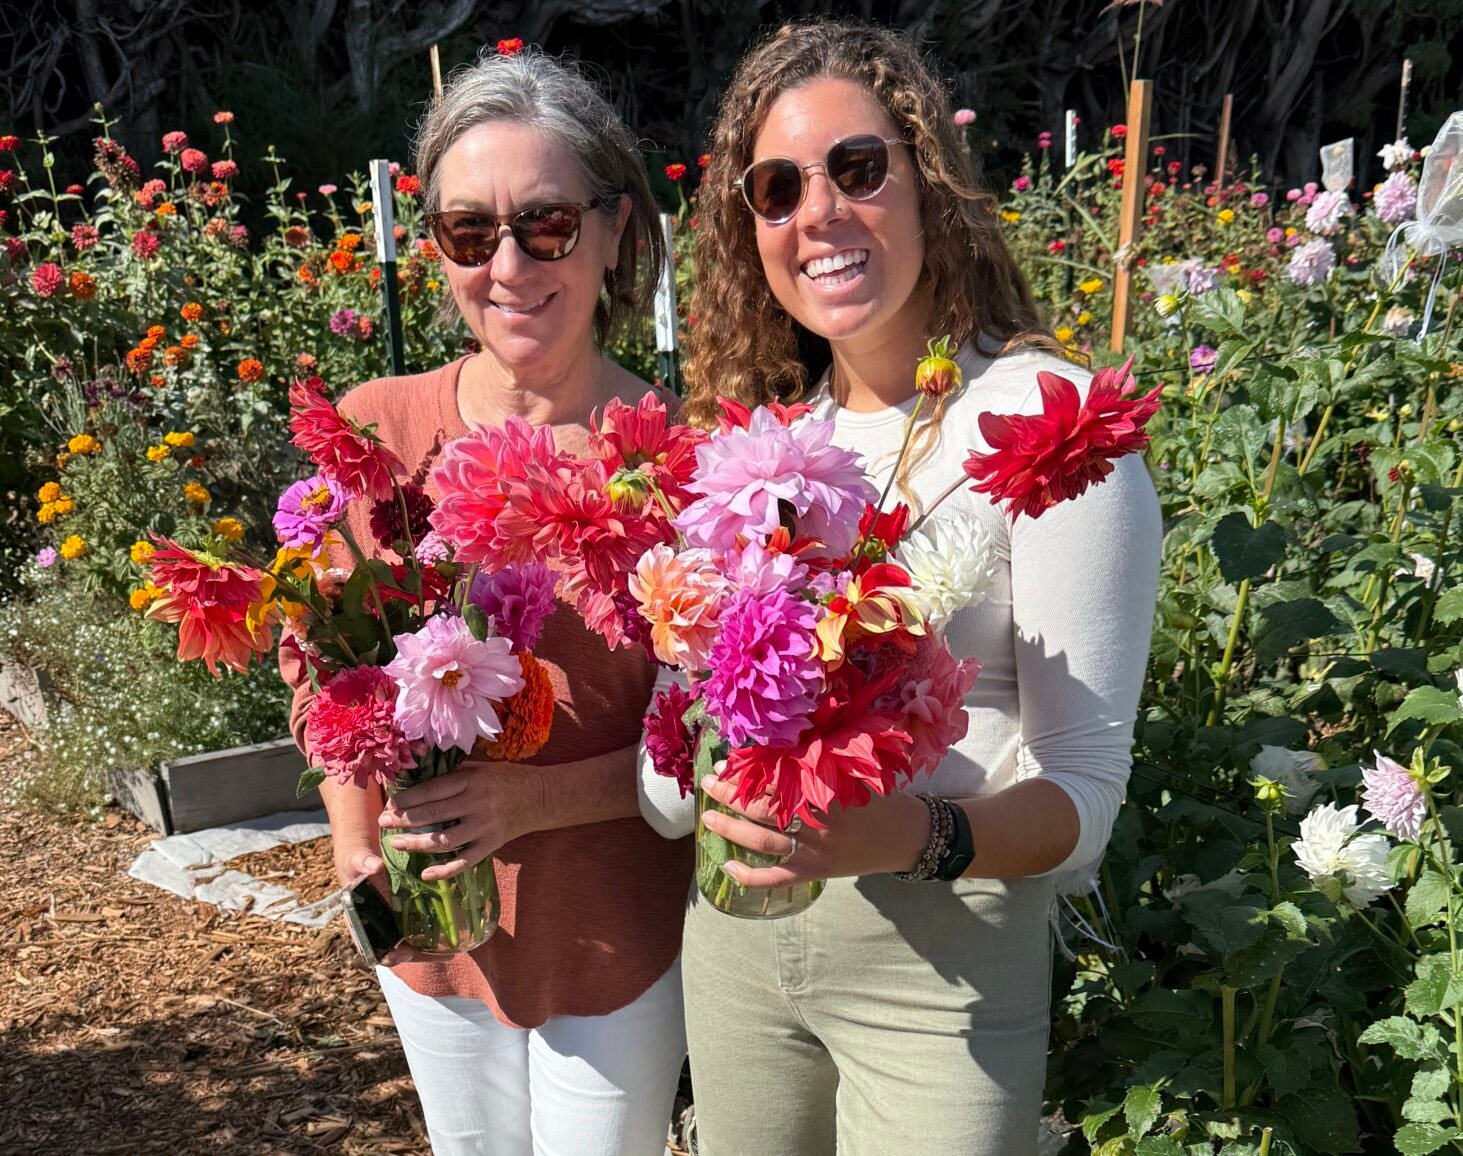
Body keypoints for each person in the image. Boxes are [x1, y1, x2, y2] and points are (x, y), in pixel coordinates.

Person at [637, 19, 1162, 1156]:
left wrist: (902, 835)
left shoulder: (1046, 427)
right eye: (777, 189)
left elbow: (1083, 802)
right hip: (735, 949)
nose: (818, 211)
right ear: (749, 229)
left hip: (941, 971)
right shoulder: (758, 450)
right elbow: (675, 752)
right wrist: (681, 750)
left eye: (857, 167)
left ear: (928, 181)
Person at [281, 48, 690, 1156]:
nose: (508, 266)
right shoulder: (376, 430)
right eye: (469, 232)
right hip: (431, 927)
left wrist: (533, 802)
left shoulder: (677, 460)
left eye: (545, 225)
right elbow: (316, 662)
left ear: (614, 229)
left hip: (616, 927)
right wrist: (355, 845)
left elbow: (710, 740)